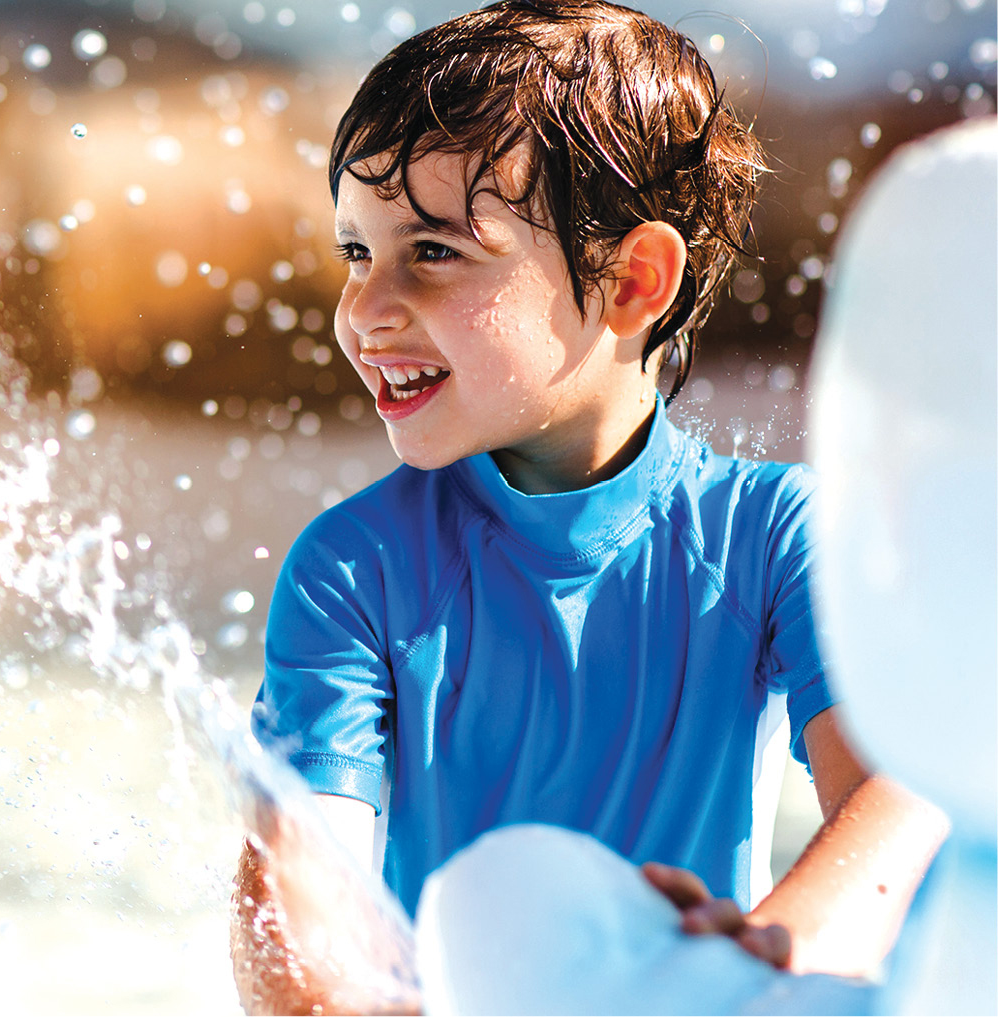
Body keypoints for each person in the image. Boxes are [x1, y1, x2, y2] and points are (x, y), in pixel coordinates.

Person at [231, 2, 948, 1013]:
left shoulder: (770, 538)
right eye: (357, 251)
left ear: (630, 279)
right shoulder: (355, 571)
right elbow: (296, 914)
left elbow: (901, 789)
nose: (365, 309)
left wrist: (770, 946)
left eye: (432, 251)